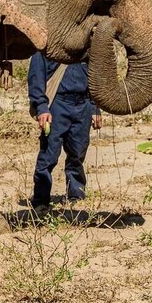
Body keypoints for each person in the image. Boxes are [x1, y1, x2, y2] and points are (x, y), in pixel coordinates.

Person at [28, 53, 102, 209]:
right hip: (57, 104)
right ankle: (41, 201)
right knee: (49, 154)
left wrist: (95, 108)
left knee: (77, 153)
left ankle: (76, 196)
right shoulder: (46, 48)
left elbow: (96, 78)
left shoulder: (87, 46)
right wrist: (42, 108)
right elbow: (36, 78)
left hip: (83, 105)